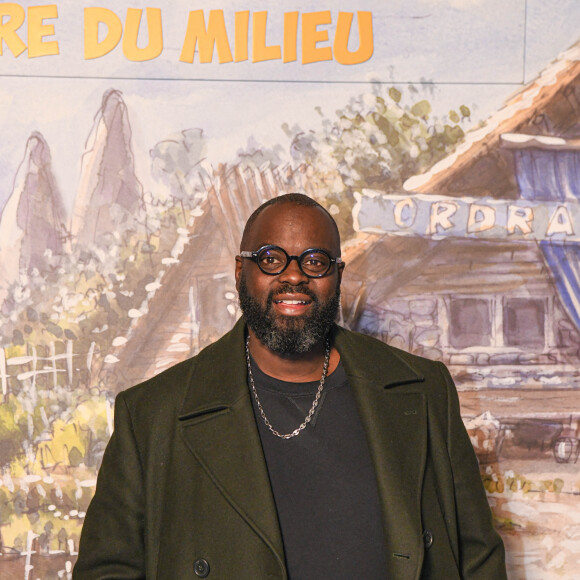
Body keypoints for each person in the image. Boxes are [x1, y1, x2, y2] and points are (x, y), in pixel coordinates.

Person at [74, 193, 507, 579]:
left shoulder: (422, 389)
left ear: (338, 274)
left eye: (315, 261)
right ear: (241, 270)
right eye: (270, 258)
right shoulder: (152, 414)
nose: (294, 276)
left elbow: (478, 558)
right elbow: (106, 570)